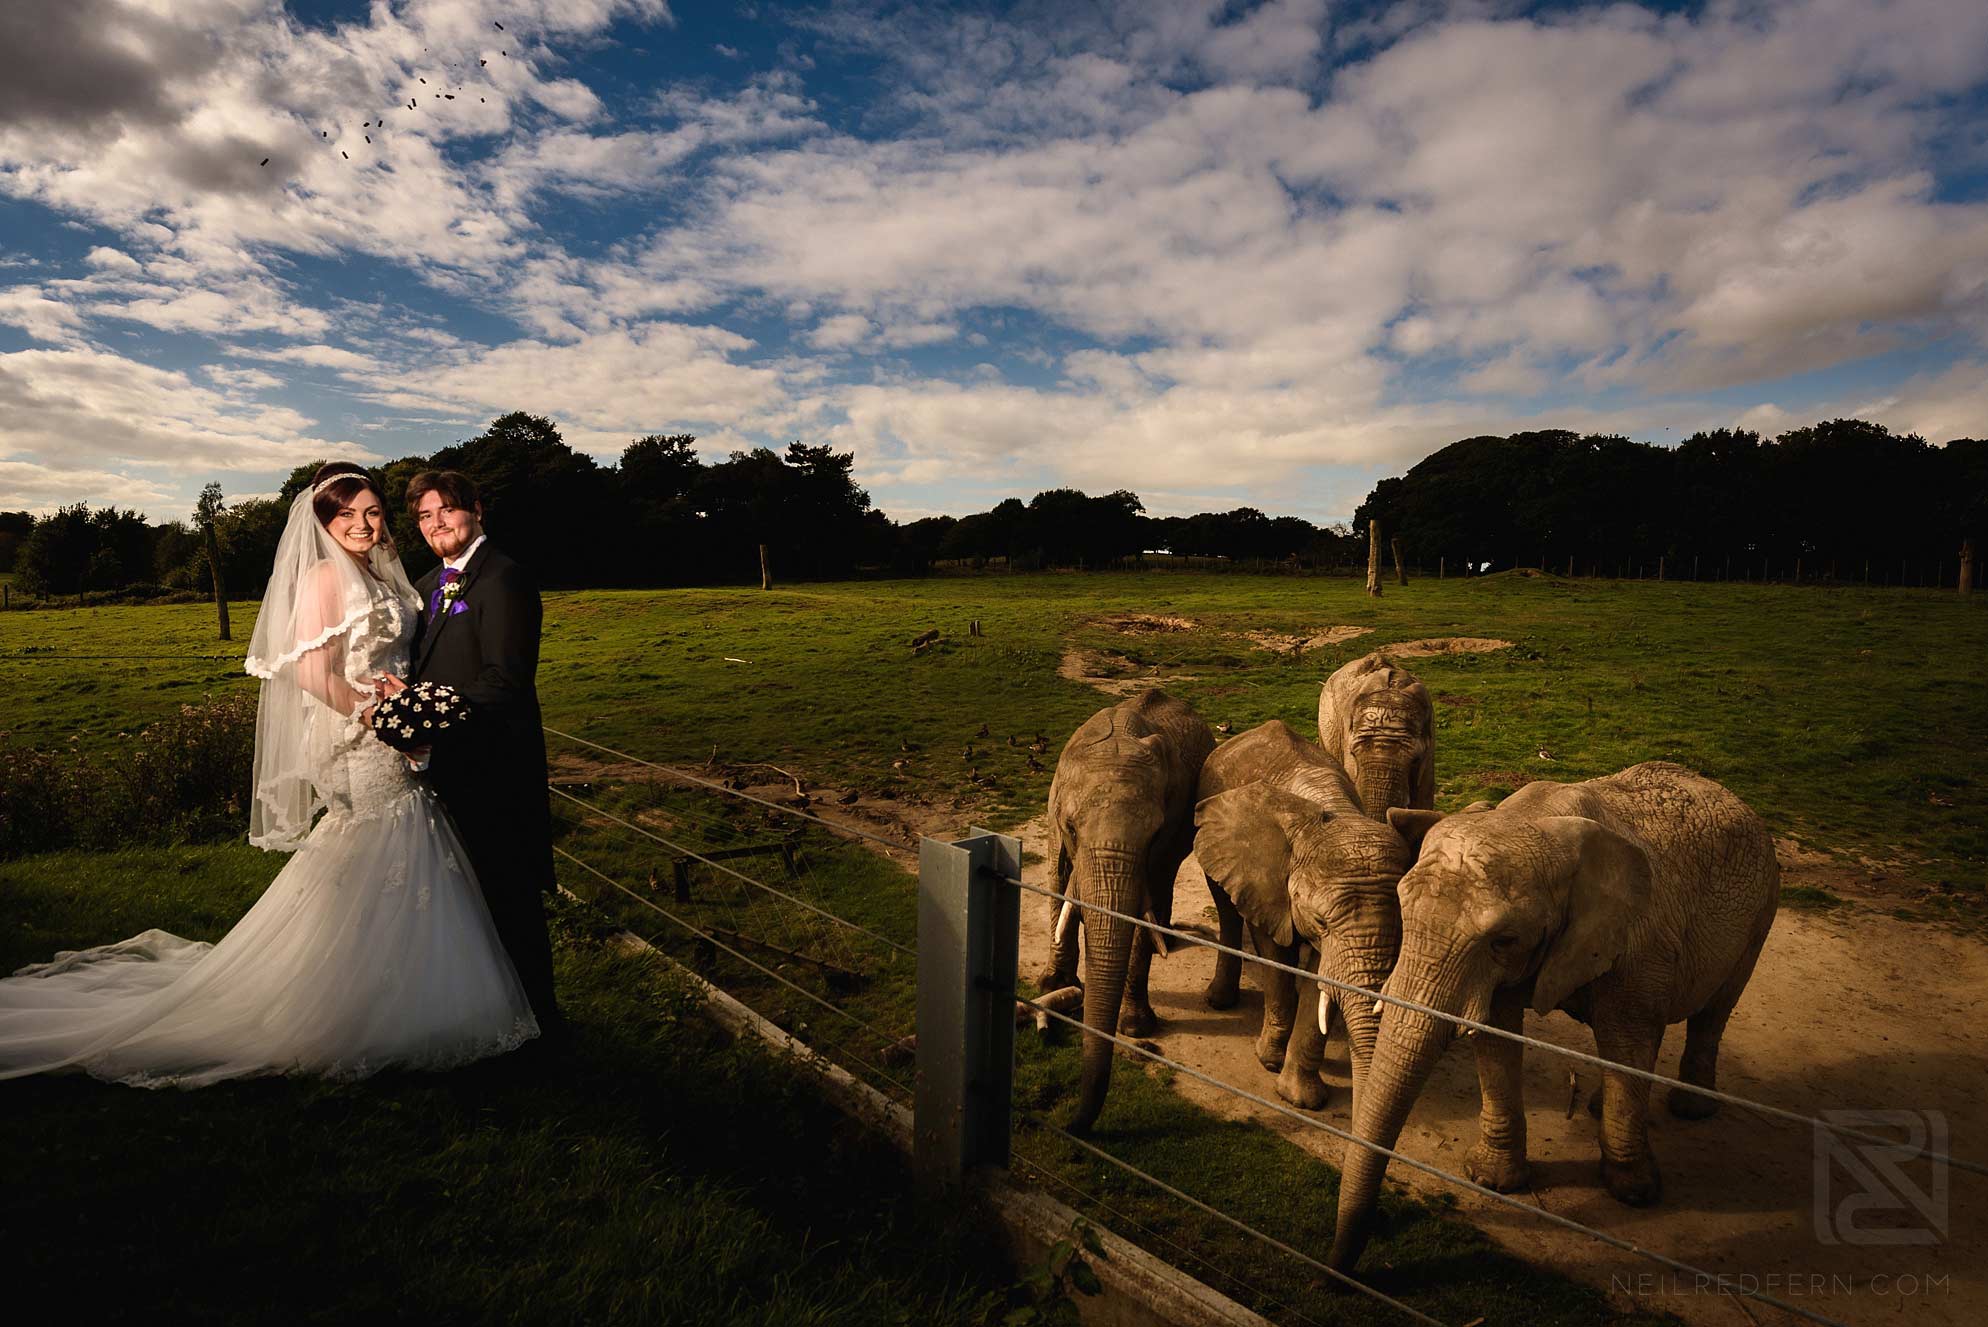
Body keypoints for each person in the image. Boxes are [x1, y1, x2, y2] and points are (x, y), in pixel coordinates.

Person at [0, 463, 537, 1086]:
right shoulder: (322, 578)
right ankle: (358, 1005)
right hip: (358, 738)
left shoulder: (384, 570)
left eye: (371, 512)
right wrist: (380, 713)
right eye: (345, 515)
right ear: (321, 523)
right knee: (385, 845)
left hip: (394, 733)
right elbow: (309, 673)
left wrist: (406, 704)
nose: (362, 525)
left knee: (392, 854)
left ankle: (389, 988)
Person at [390, 471, 564, 1042]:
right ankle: (485, 1020)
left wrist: (421, 713)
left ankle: (543, 1026)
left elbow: (504, 681)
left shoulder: (505, 577)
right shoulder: (424, 583)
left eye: (447, 510)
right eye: (424, 515)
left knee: (509, 900)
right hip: (444, 769)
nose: (436, 522)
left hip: (495, 769)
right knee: (464, 903)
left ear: (477, 510)